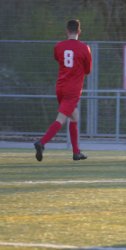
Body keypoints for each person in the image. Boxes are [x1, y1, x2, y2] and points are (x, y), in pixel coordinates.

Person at [34, 19, 92, 161]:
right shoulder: (85, 48)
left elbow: (59, 60)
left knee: (74, 116)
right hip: (73, 90)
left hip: (60, 87)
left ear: (67, 31)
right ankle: (41, 143)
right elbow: (88, 71)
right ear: (79, 31)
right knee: (61, 119)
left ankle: (76, 152)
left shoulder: (58, 46)